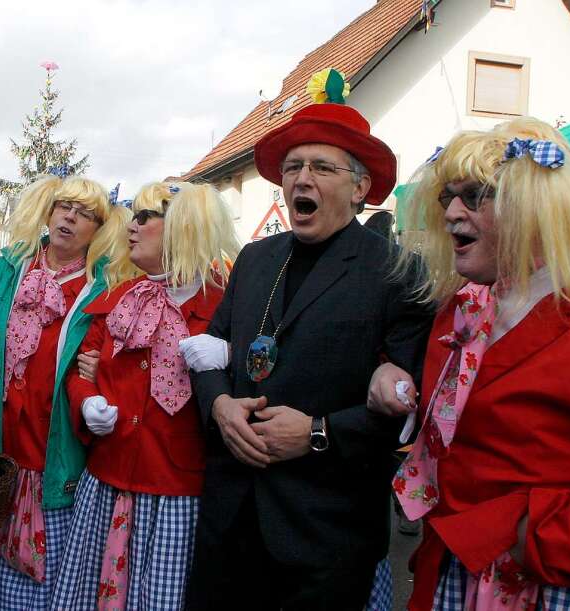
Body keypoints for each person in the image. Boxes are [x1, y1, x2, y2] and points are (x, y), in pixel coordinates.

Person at [179, 70, 433, 609]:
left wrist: (317, 433)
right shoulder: (254, 259)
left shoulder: (397, 272)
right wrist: (219, 405)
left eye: (322, 167)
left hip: (324, 534)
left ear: (360, 187)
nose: (302, 179)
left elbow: (411, 404)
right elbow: (210, 351)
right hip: (230, 521)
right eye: (293, 167)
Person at [368, 117, 570, 609]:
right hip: (451, 570)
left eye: (475, 195)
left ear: (535, 205)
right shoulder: (465, 309)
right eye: (447, 196)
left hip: (552, 584)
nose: (452, 213)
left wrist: (528, 535)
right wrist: (391, 370)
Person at [50, 181, 240, 610]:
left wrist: (232, 354)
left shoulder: (227, 307)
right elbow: (81, 369)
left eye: (142, 217)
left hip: (177, 491)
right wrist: (87, 400)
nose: (130, 227)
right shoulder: (122, 297)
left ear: (181, 226)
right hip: (108, 480)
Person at [0, 172, 128, 610]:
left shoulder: (104, 287)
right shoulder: (6, 271)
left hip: (57, 446)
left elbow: (114, 354)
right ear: (49, 212)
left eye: (86, 213)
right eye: (64, 207)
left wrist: (98, 366)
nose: (71, 218)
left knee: (51, 577)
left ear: (99, 229)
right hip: (1, 435)